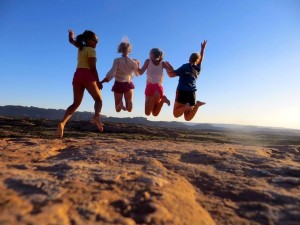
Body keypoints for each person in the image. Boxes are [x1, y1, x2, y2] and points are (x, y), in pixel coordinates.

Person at [57, 29, 103, 138]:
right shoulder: (91, 51)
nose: (96, 43)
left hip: (77, 75)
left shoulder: (81, 47)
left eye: (97, 41)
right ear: (87, 40)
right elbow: (93, 68)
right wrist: (98, 81)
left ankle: (62, 123)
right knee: (98, 100)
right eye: (94, 40)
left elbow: (71, 41)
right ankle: (96, 116)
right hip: (87, 75)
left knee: (75, 103)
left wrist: (71, 35)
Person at [168, 40, 208, 121]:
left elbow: (172, 75)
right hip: (191, 94)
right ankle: (196, 105)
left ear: (189, 59)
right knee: (187, 118)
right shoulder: (198, 68)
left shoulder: (185, 66)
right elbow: (201, 60)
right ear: (197, 60)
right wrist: (203, 49)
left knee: (176, 114)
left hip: (182, 91)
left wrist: (167, 68)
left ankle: (185, 107)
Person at [100, 38, 139, 112]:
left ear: (120, 50)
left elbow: (112, 73)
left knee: (117, 109)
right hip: (128, 84)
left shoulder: (117, 60)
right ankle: (129, 103)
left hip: (118, 84)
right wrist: (137, 64)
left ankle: (120, 104)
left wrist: (102, 81)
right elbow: (137, 73)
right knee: (129, 109)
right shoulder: (133, 62)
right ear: (129, 50)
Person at [137, 48, 174, 116]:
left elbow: (140, 72)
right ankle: (162, 100)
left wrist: (137, 64)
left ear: (152, 54)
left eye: (149, 54)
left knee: (147, 113)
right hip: (159, 89)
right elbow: (172, 70)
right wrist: (169, 64)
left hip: (150, 87)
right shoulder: (162, 63)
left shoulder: (148, 61)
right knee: (155, 113)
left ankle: (159, 99)